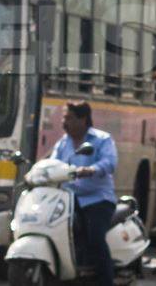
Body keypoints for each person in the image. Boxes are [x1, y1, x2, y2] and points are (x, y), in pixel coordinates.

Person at [51, 101, 118, 286]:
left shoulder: (102, 139)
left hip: (97, 199)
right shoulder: (62, 143)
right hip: (68, 199)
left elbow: (110, 162)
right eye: (64, 118)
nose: (64, 122)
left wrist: (90, 169)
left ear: (83, 119)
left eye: (69, 118)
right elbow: (53, 164)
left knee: (95, 238)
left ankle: (105, 281)